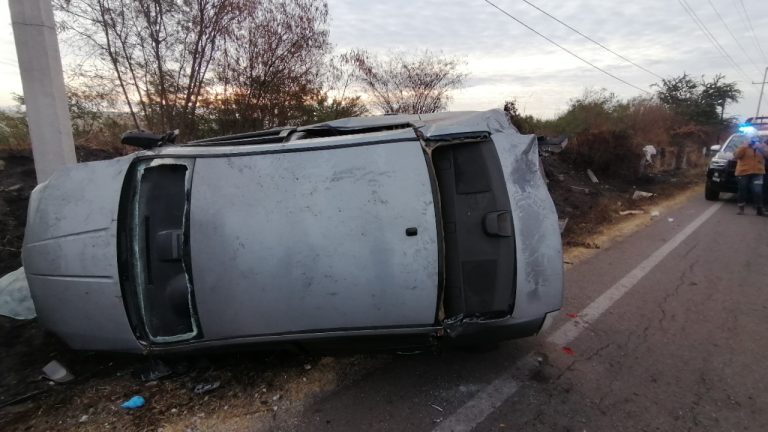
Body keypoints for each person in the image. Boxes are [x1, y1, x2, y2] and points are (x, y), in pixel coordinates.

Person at [734, 136, 767, 215]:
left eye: (757, 140)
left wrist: (760, 148)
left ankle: (759, 209)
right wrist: (744, 146)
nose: (754, 142)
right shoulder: (744, 146)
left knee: (758, 191)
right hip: (743, 172)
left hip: (758, 172)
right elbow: (736, 156)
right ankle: (741, 208)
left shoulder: (762, 147)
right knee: (742, 190)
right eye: (753, 140)